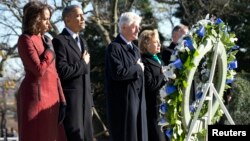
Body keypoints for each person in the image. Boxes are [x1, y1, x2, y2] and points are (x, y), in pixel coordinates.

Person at [17, 1, 66, 141]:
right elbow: (38, 70)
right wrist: (50, 52)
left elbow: (54, 73)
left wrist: (62, 100)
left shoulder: (46, 40)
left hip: (53, 99)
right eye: (45, 19)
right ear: (35, 19)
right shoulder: (25, 40)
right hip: (35, 99)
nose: (48, 23)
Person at [52, 5, 94, 141]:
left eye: (83, 15)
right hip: (72, 104)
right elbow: (62, 72)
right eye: (78, 15)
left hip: (86, 104)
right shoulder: (59, 41)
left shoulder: (83, 42)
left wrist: (91, 103)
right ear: (67, 20)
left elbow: (86, 76)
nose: (83, 18)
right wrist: (83, 63)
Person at [104, 12, 148, 141]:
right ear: (123, 27)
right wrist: (138, 68)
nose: (138, 29)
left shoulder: (135, 49)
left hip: (139, 101)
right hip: (124, 105)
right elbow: (118, 73)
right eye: (135, 26)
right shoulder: (114, 48)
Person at [139, 29, 168, 141]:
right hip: (153, 110)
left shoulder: (159, 60)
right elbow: (149, 85)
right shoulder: (144, 61)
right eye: (156, 42)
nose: (159, 44)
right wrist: (162, 74)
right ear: (146, 44)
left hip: (165, 109)